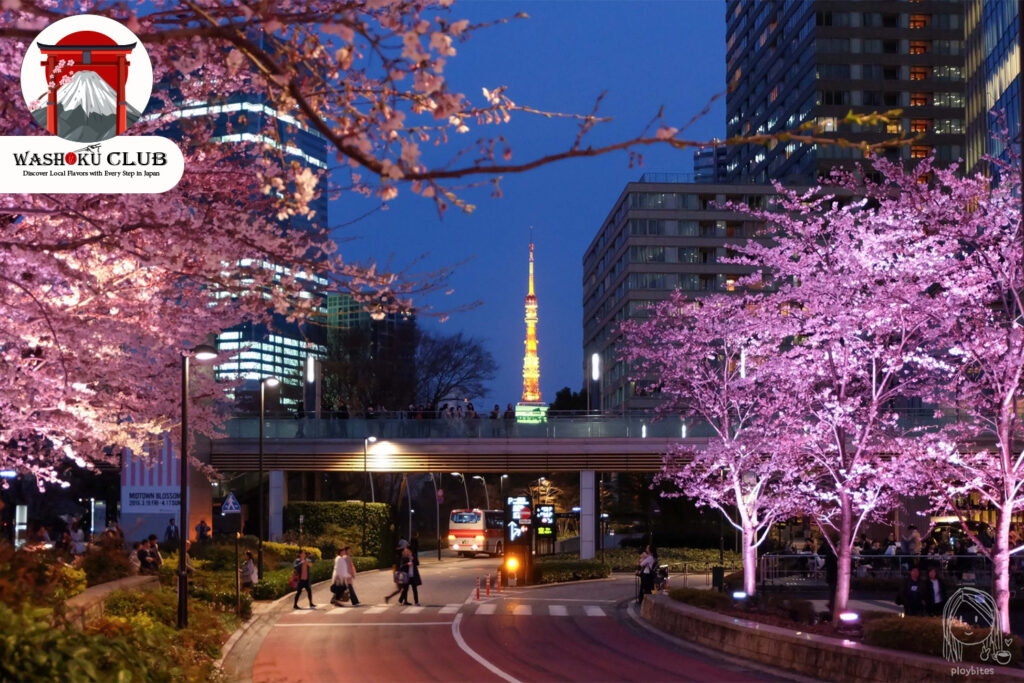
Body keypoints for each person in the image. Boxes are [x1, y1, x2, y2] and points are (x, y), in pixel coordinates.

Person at [400, 537, 422, 606]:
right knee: (406, 588)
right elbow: (402, 564)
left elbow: (417, 563)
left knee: (414, 588)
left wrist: (413, 561)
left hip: (412, 574)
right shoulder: (405, 556)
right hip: (407, 574)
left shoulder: (414, 554)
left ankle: (416, 602)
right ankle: (402, 600)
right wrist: (407, 563)